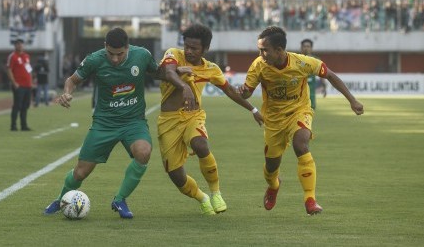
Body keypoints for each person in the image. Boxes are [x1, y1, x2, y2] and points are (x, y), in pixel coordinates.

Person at [43, 28, 185, 219]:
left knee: (143, 152)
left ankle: (120, 199)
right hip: (104, 123)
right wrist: (68, 92)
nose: (115, 59)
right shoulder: (95, 59)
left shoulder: (141, 55)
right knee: (80, 172)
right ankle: (61, 199)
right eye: (111, 53)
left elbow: (157, 72)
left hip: (133, 122)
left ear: (128, 47)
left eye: (120, 54)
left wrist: (175, 72)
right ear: (105, 47)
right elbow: (72, 80)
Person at [237, 26, 364, 215]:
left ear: (279, 50)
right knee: (271, 166)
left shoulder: (302, 63)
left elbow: (329, 74)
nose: (261, 54)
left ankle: (310, 199)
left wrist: (352, 100)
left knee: (301, 144)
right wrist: (244, 92)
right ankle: (273, 185)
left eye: (265, 50)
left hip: (299, 110)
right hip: (273, 120)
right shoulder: (258, 65)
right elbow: (247, 92)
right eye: (259, 50)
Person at [158, 24, 264, 215]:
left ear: (205, 49)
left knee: (200, 145)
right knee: (176, 175)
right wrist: (185, 86)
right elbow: (168, 72)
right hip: (168, 121)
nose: (188, 51)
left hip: (193, 116)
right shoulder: (173, 54)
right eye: (186, 46)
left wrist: (253, 109)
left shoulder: (211, 69)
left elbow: (230, 90)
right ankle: (202, 198)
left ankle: (215, 193)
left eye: (194, 48)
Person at [6, 38, 33, 131]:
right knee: (17, 105)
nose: (20, 45)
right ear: (15, 46)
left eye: (21, 44)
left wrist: (31, 82)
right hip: (19, 85)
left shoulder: (26, 56)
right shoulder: (12, 56)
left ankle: (24, 125)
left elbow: (29, 70)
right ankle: (13, 126)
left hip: (27, 85)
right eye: (18, 44)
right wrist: (14, 83)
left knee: (26, 105)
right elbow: (9, 70)